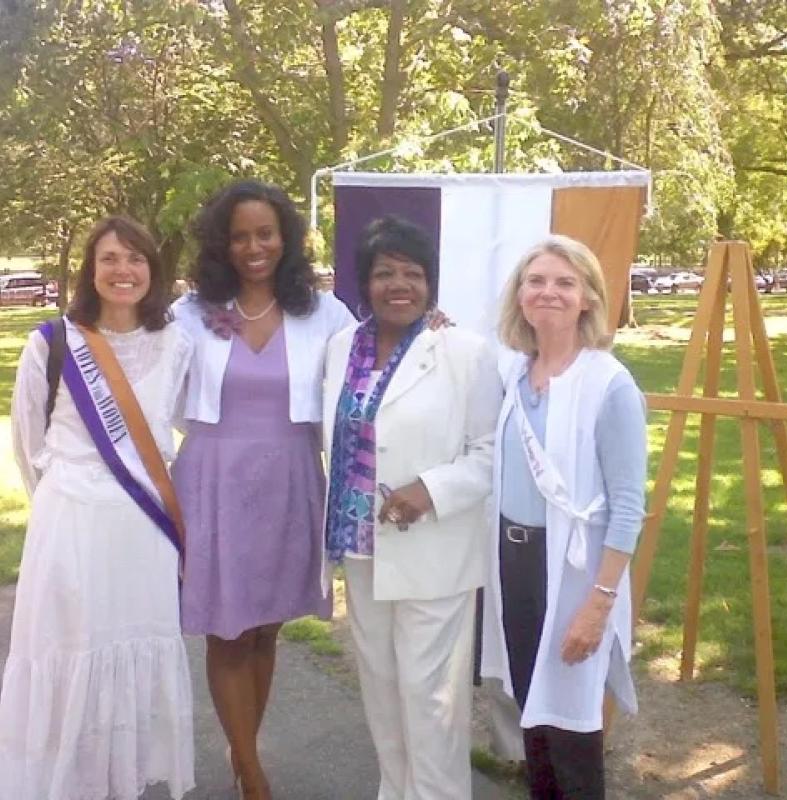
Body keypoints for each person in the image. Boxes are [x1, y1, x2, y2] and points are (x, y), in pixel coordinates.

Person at [170, 180, 354, 800]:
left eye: (266, 233)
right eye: (241, 235)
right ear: (223, 243)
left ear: (287, 238)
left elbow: (374, 368)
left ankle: (244, 748)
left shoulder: (324, 312)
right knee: (227, 627)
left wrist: (433, 326)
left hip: (292, 478)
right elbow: (147, 377)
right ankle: (251, 773)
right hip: (213, 481)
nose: (254, 246)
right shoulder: (191, 313)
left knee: (265, 626)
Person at [0, 216, 195, 800]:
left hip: (142, 528)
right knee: (71, 644)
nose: (123, 271)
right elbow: (27, 436)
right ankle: (64, 777)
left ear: (152, 271)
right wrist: (62, 499)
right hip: (73, 521)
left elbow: (178, 424)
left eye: (135, 259)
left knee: (132, 641)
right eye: (109, 258)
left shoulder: (176, 343)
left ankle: (125, 774)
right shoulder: (52, 341)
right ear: (91, 269)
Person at [323, 215, 501, 800]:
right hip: (363, 549)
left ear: (431, 284)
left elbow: (489, 452)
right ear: (363, 283)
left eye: (412, 274)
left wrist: (430, 489)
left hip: (433, 552)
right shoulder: (339, 349)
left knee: (431, 702)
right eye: (384, 273)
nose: (399, 284)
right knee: (381, 691)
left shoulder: (464, 351)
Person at [481, 234, 647, 799]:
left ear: (587, 299)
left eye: (564, 282)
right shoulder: (512, 374)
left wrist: (599, 604)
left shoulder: (609, 384)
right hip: (514, 561)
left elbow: (628, 505)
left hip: (574, 573)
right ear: (520, 296)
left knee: (573, 729)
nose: (547, 292)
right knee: (533, 713)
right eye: (536, 280)